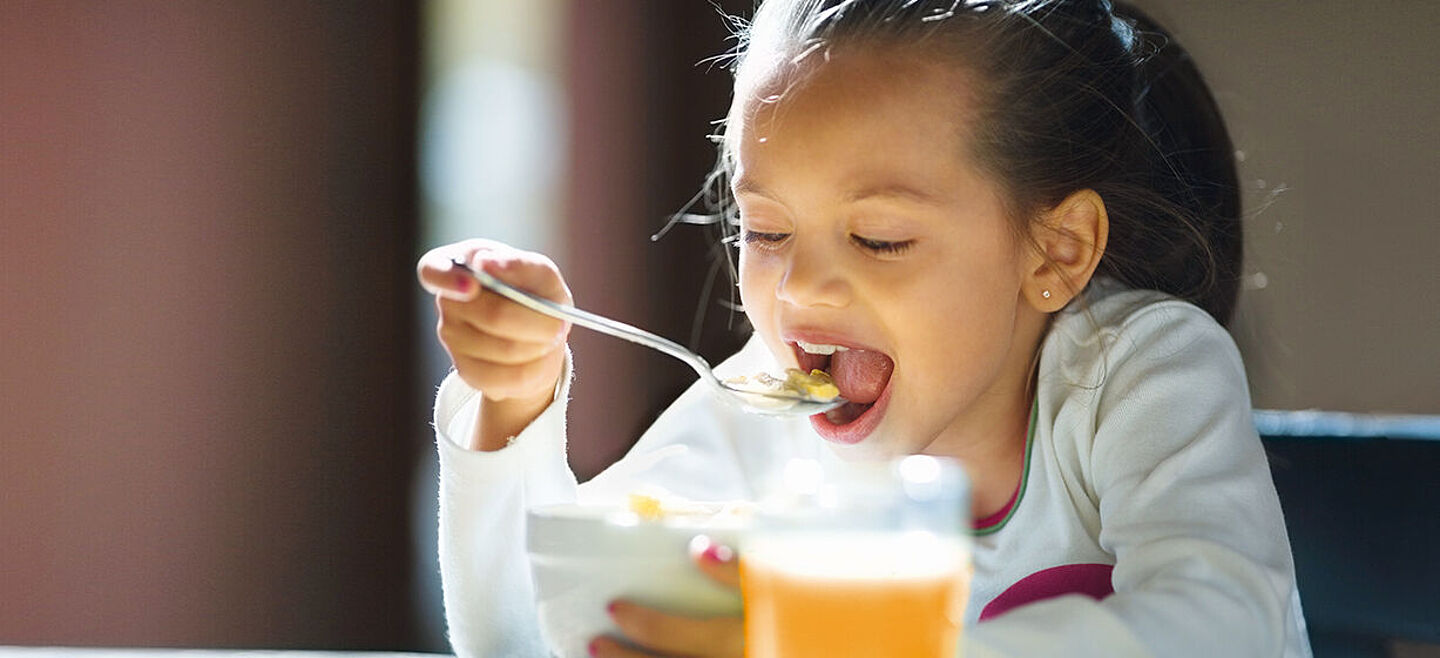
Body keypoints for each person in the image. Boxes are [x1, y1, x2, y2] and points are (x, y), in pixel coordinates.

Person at [416, 0, 1312, 656]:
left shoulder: (1136, 372)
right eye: (765, 230)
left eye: (879, 238)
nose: (799, 285)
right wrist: (513, 405)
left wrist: (832, 639)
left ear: (1057, 252)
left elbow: (1224, 626)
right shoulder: (757, 412)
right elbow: (526, 638)